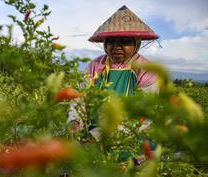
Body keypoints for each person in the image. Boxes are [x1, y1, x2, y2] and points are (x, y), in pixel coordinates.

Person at [68, 5, 159, 139]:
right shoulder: (96, 65)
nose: (116, 47)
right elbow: (79, 99)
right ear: (105, 44)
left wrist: (98, 137)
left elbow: (143, 119)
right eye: (111, 41)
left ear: (136, 44)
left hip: (129, 138)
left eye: (125, 41)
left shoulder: (145, 70)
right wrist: (75, 121)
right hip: (90, 134)